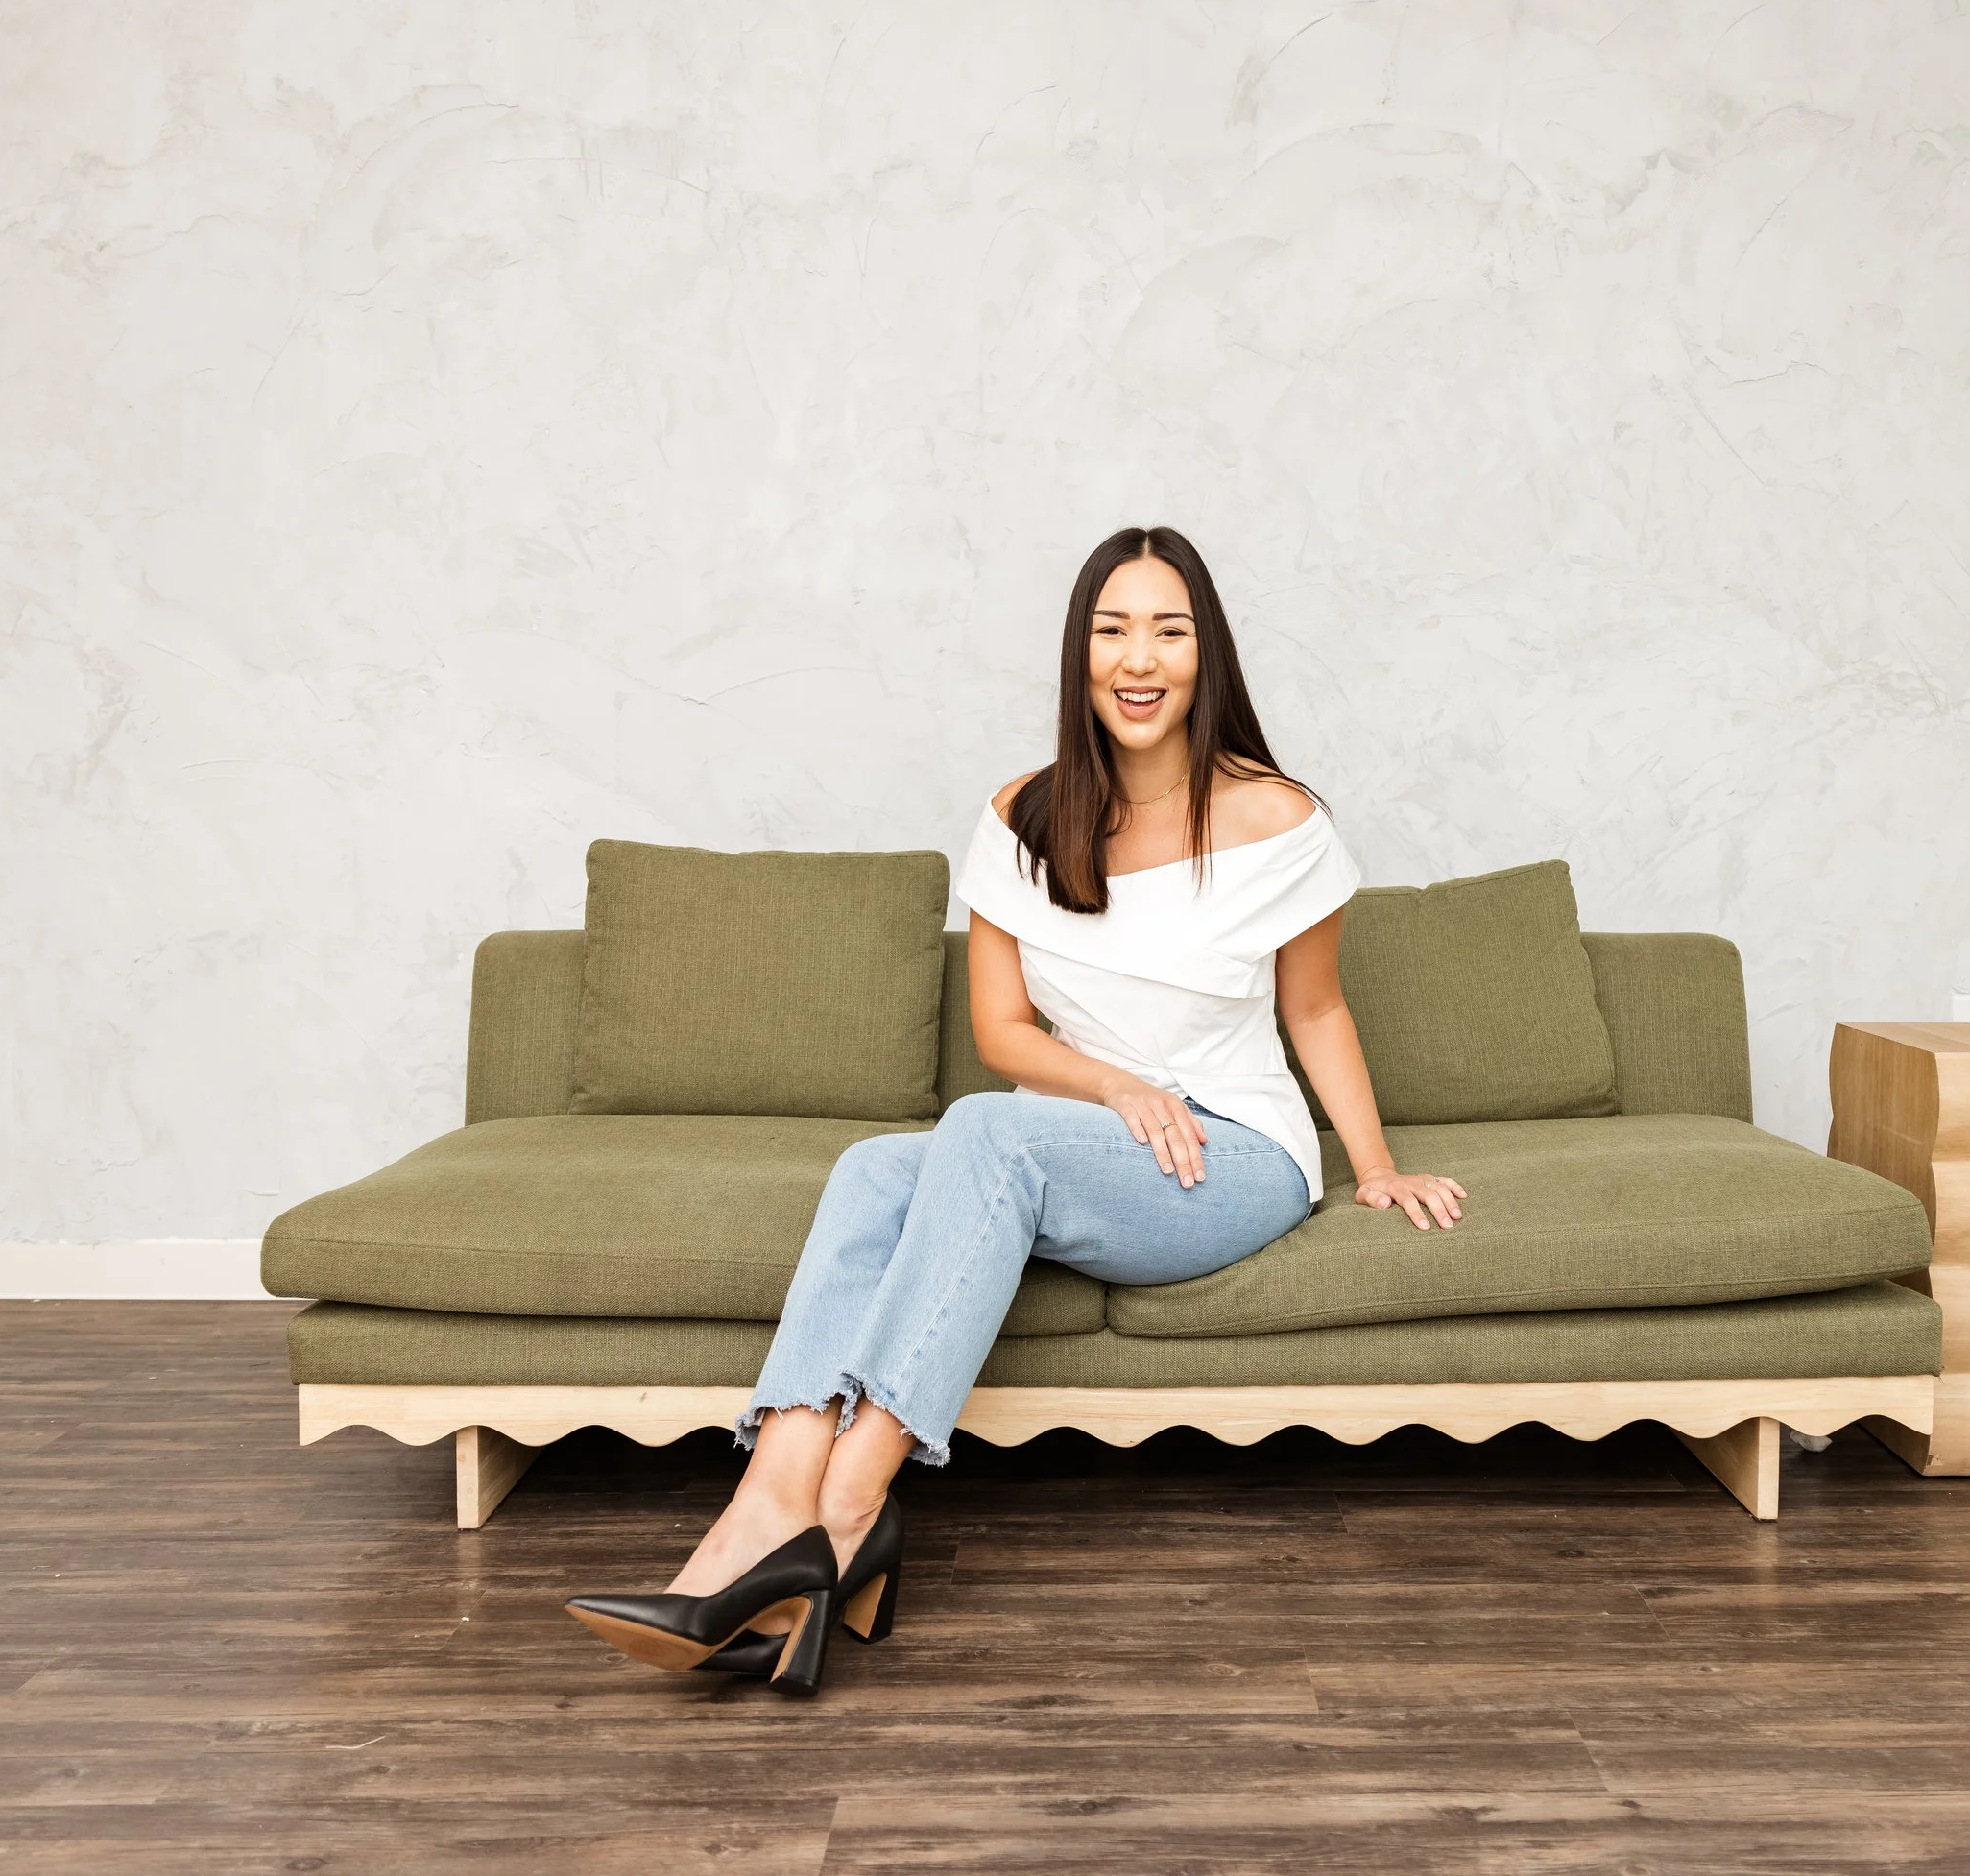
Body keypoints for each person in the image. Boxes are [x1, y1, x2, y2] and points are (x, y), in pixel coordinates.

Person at [565, 526, 1467, 1693]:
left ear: (1209, 656)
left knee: (980, 1128)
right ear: (1079, 653)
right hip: (1098, 1131)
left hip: (1235, 1156)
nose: (1138, 657)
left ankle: (845, 1507)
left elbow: (1319, 1009)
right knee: (870, 1169)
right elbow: (1003, 1033)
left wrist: (1375, 1162)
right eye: (1112, 628)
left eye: (1169, 629)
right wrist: (1117, 1083)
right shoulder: (1022, 816)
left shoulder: (1278, 818)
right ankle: (762, 1511)